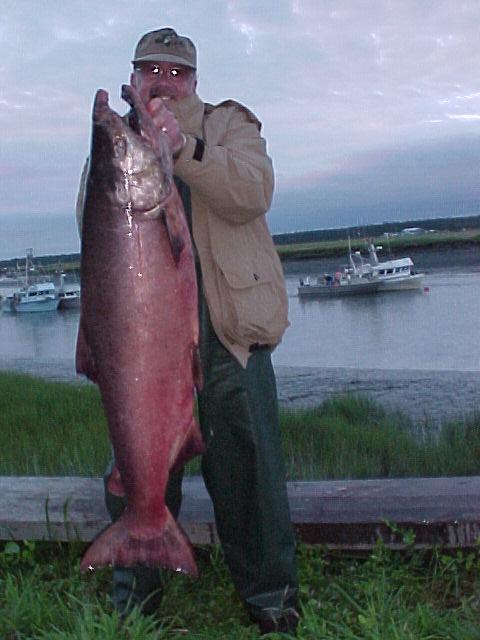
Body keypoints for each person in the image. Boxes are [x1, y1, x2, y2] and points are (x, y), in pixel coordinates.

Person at [76, 27, 298, 635]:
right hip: (145, 336)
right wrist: (137, 150)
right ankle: (134, 599)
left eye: (177, 72)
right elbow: (92, 225)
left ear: (195, 81)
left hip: (226, 328)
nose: (164, 82)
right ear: (136, 74)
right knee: (137, 463)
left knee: (249, 471)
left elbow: (255, 191)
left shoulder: (229, 125)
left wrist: (186, 150)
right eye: (152, 70)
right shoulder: (115, 141)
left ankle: (272, 600)